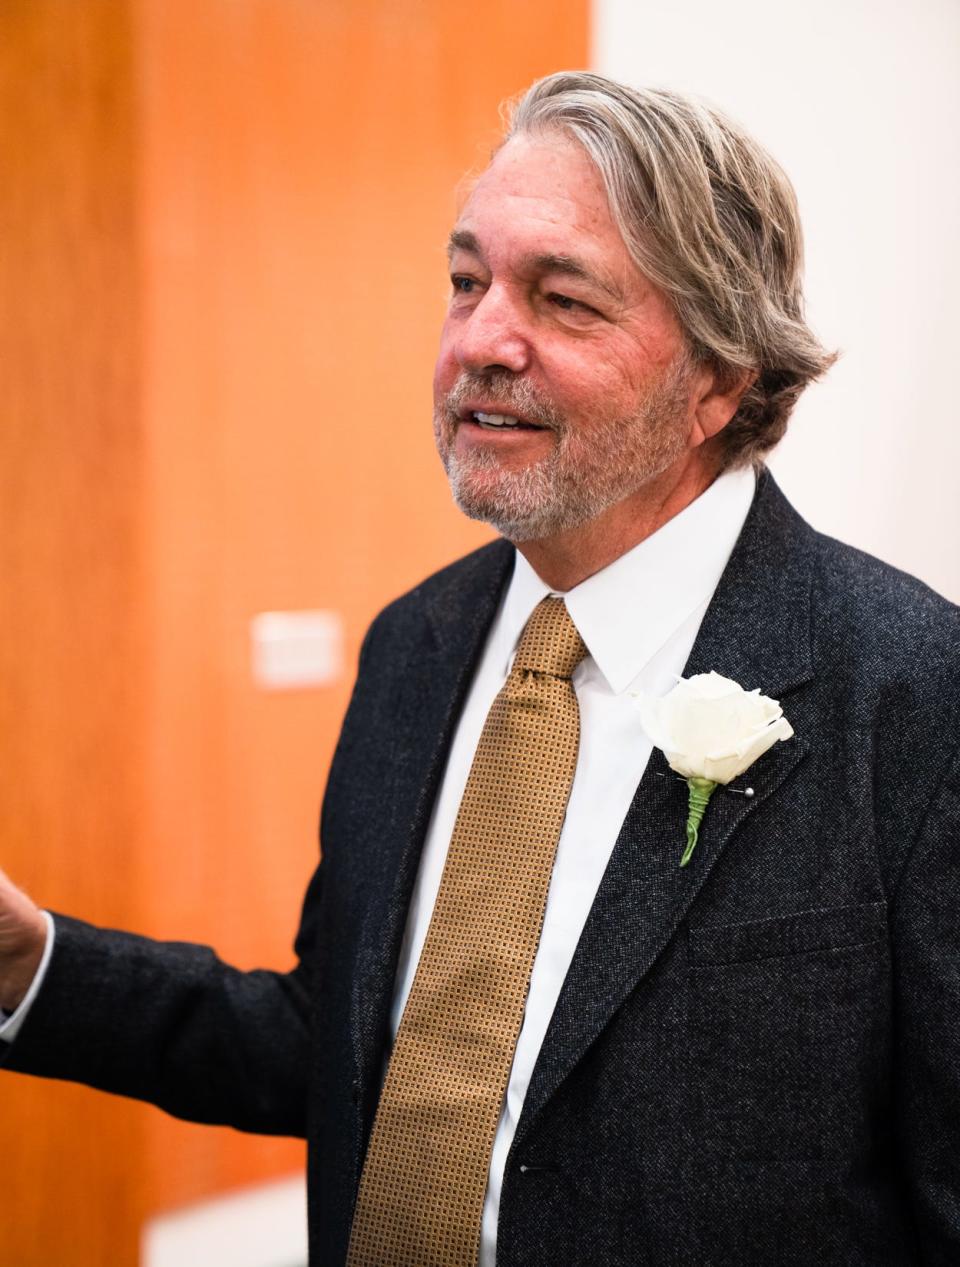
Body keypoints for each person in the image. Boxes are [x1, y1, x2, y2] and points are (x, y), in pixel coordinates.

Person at [1, 70, 958, 1266]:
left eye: (562, 301)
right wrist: (36, 964)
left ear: (718, 377)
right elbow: (351, 1055)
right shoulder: (417, 644)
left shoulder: (912, 692)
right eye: (466, 282)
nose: (481, 342)